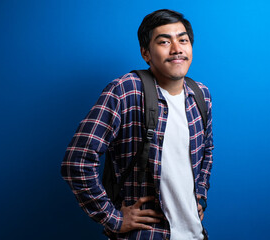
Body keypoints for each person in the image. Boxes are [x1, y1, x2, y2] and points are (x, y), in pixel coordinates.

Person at [61, 9, 214, 240]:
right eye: (164, 41)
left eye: (183, 40)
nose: (177, 49)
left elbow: (207, 152)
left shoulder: (200, 94)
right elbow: (77, 160)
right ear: (146, 53)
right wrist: (112, 218)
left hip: (195, 234)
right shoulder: (126, 91)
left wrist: (199, 196)